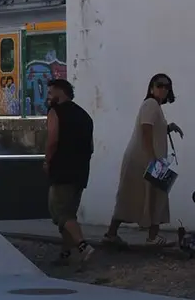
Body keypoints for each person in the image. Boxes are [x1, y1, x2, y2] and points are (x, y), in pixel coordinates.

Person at [104, 73, 185, 248]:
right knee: (152, 195)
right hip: (145, 159)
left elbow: (153, 130)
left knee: (134, 196)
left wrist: (169, 128)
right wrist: (152, 158)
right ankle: (151, 237)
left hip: (144, 158)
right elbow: (146, 130)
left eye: (166, 86)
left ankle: (112, 234)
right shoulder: (150, 104)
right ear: (151, 87)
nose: (163, 89)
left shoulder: (154, 106)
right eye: (159, 85)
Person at [43, 79, 95, 265]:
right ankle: (65, 253)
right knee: (69, 214)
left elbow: (52, 141)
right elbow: (91, 146)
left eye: (50, 93)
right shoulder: (84, 115)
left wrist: (47, 161)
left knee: (59, 213)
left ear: (61, 93)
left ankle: (83, 246)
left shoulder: (55, 112)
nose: (48, 96)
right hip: (80, 171)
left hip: (62, 169)